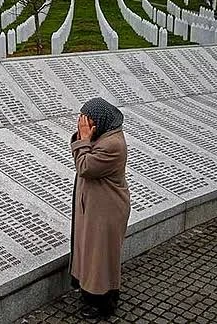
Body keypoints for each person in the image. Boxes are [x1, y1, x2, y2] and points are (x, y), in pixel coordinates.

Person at [69, 97, 131, 319]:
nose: (83, 126)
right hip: (96, 208)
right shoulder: (104, 135)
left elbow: (84, 166)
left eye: (88, 122)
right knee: (92, 254)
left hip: (107, 211)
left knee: (101, 258)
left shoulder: (112, 145)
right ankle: (92, 294)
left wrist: (84, 139)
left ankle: (103, 304)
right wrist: (83, 138)